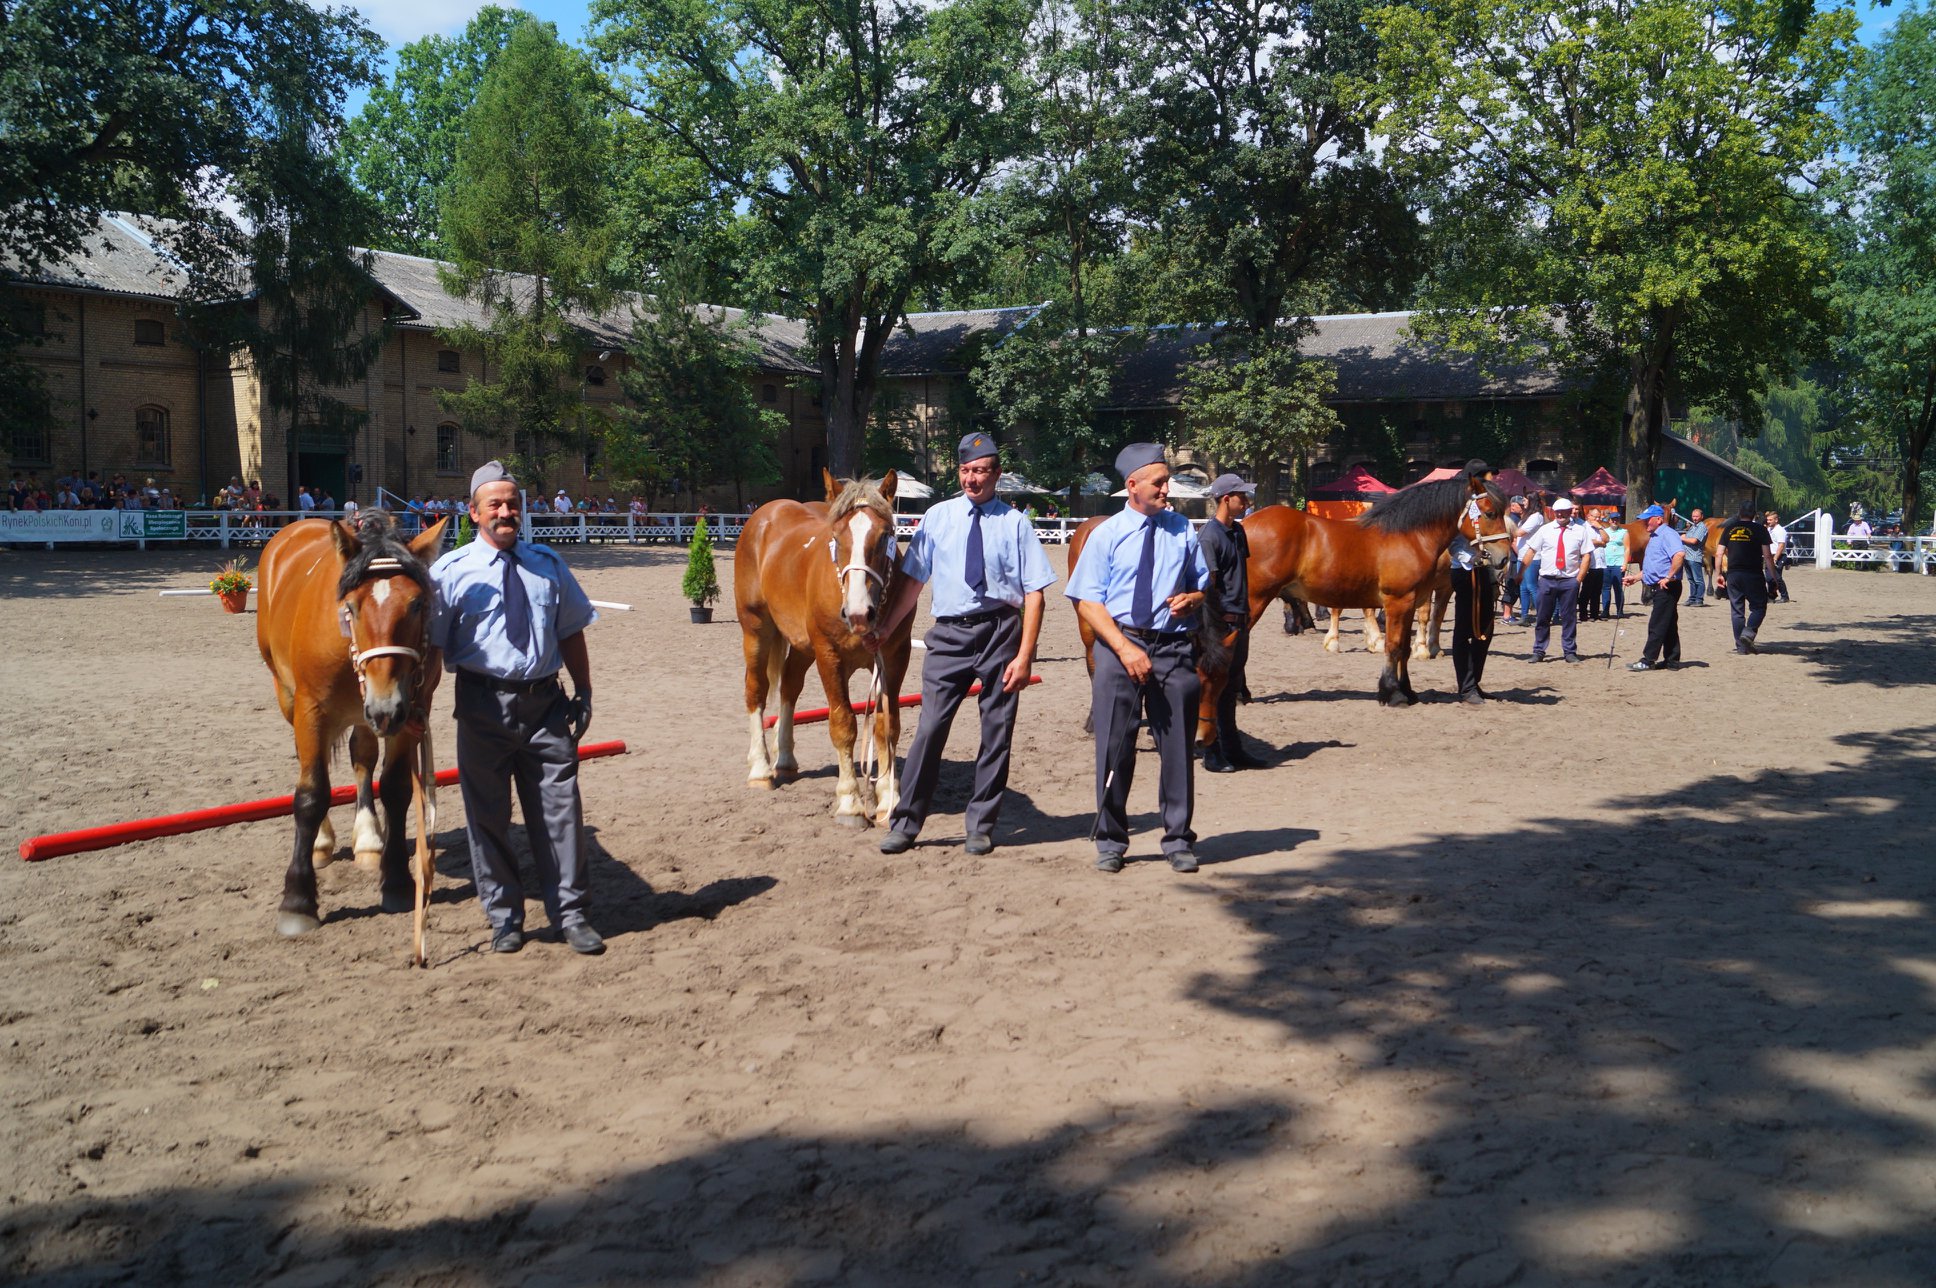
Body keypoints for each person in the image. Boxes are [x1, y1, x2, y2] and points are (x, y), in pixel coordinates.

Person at [428, 460, 603, 955]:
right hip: (482, 707)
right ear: (474, 512)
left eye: (512, 504)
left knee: (561, 813)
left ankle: (571, 914)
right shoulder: (449, 574)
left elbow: (571, 631)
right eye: (495, 505)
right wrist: (418, 706)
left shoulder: (548, 564)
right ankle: (504, 919)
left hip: (546, 705)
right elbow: (433, 652)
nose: (505, 512)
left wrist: (584, 692)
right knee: (488, 817)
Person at [873, 433, 1056, 856]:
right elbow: (913, 582)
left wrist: (1025, 656)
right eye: (966, 471)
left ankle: (981, 825)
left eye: (980, 471)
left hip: (1001, 633)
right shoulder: (937, 517)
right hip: (950, 635)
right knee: (930, 728)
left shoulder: (1015, 523)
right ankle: (906, 822)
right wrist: (884, 629)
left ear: (996, 474)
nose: (972, 479)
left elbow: (1034, 594)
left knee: (997, 733)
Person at [1066, 443, 1209, 874]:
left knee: (1178, 749)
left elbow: (1202, 584)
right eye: (1160, 482)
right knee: (1114, 748)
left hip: (1173, 648)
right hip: (1118, 646)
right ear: (1132, 486)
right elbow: (1088, 601)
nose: (1168, 488)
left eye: (1167, 481)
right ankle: (1111, 841)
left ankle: (1179, 839)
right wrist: (1125, 649)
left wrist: (1193, 598)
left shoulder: (1183, 529)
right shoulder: (1106, 535)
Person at [1198, 472, 1264, 770]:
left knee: (1233, 686)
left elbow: (1240, 576)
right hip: (1221, 624)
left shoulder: (1238, 532)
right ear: (1226, 499)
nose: (1247, 502)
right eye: (1242, 497)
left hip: (1240, 622)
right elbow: (1209, 586)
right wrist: (1215, 632)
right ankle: (1211, 751)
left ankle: (1233, 749)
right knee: (1214, 689)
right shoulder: (1209, 537)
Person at [1449, 460, 1508, 705]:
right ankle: (1466, 687)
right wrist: (1471, 559)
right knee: (1465, 629)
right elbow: (1452, 542)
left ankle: (1475, 682)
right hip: (1466, 572)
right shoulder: (1464, 507)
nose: (1492, 480)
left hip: (1484, 572)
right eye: (1487, 476)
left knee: (1485, 630)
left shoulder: (1484, 502)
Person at [1525, 497, 1594, 663]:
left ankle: (1569, 651)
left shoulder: (1580, 530)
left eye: (1564, 512)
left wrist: (1578, 579)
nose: (1560, 515)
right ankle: (1539, 650)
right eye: (1557, 512)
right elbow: (1531, 550)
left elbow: (1586, 555)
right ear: (1553, 512)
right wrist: (1520, 572)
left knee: (1569, 617)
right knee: (1542, 617)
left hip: (1569, 580)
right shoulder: (1545, 530)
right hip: (1547, 579)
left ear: (1571, 512)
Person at [1626, 504, 1685, 672]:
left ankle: (1648, 659)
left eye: (1647, 520)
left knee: (1657, 623)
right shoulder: (1654, 536)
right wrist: (1636, 578)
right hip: (1660, 583)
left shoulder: (1668, 534)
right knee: (1668, 623)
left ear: (1659, 519)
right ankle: (1672, 660)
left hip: (1667, 586)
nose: (1645, 523)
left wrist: (1669, 576)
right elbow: (1654, 564)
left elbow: (1679, 555)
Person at [1717, 501, 1776, 654]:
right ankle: (1748, 632)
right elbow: (1768, 556)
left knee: (1737, 611)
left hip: (1734, 574)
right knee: (1759, 607)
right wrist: (1774, 577)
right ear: (1754, 514)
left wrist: (1719, 574)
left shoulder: (1729, 529)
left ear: (1739, 512)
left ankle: (1741, 647)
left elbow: (1719, 553)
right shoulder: (1760, 530)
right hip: (1753, 574)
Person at [1599, 516, 1628, 618]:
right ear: (1609, 520)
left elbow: (1627, 548)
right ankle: (1605, 611)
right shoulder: (1604, 531)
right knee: (1605, 588)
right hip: (1606, 563)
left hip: (1618, 563)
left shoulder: (1624, 532)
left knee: (1618, 588)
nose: (1615, 521)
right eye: (1613, 519)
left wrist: (1625, 563)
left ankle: (1620, 611)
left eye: (1617, 519)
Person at [1680, 508, 1710, 605]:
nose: (1695, 518)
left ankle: (1699, 599)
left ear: (1701, 516)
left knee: (1698, 580)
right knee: (1691, 580)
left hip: (1694, 557)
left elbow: (1694, 541)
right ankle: (1692, 598)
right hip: (1687, 557)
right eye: (1693, 516)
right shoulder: (1693, 526)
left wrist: (1683, 538)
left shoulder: (1702, 527)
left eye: (1697, 516)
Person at [1765, 511, 1792, 602]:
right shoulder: (1769, 529)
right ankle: (1771, 596)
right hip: (1770, 556)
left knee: (1776, 577)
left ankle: (1785, 596)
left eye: (1770, 520)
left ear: (1776, 520)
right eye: (1767, 520)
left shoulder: (1780, 531)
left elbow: (1781, 546)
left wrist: (1775, 558)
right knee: (1769, 578)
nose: (1768, 521)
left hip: (1779, 556)